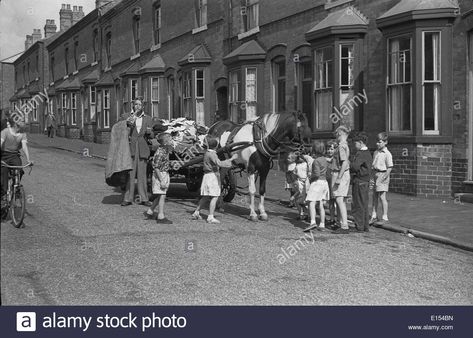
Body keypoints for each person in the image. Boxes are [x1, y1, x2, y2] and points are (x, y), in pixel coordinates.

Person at [191, 137, 237, 224]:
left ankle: (196, 212)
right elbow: (220, 163)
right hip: (212, 177)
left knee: (205, 196)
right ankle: (210, 217)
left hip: (207, 176)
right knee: (214, 196)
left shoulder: (207, 153)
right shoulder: (212, 154)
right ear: (216, 147)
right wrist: (232, 159)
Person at [122, 99, 154, 207]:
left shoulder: (148, 118)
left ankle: (144, 198)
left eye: (140, 104)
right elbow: (125, 128)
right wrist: (132, 117)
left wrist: (150, 133)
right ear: (133, 105)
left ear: (143, 106)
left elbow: (152, 135)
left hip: (142, 147)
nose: (138, 106)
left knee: (142, 174)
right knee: (130, 173)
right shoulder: (127, 116)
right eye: (136, 104)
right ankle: (128, 198)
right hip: (131, 147)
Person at [1, 117, 32, 208]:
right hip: (4, 155)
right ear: (15, 123)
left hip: (14, 155)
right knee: (3, 177)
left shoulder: (22, 133)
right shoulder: (5, 132)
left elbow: (24, 146)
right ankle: (3, 198)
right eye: (22, 121)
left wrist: (28, 159)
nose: (24, 122)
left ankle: (17, 190)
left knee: (20, 170)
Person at [144, 132, 173, 224]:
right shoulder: (160, 152)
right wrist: (161, 180)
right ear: (165, 143)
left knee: (160, 194)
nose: (172, 141)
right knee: (162, 195)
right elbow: (156, 167)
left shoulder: (165, 150)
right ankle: (160, 216)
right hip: (160, 175)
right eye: (170, 140)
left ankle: (150, 211)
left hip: (164, 173)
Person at [304, 140, 329, 232]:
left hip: (317, 182)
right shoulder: (325, 160)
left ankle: (313, 222)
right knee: (321, 204)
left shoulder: (316, 161)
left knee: (311, 202)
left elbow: (316, 174)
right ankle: (322, 224)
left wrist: (311, 177)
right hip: (324, 182)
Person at [350, 132, 372, 232]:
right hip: (365, 181)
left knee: (358, 204)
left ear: (360, 142)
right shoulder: (368, 153)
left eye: (355, 143)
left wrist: (349, 164)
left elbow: (354, 167)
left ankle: (359, 226)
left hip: (359, 180)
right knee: (364, 204)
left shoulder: (360, 154)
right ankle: (364, 226)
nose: (354, 146)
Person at [331, 125, 351, 234]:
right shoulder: (344, 145)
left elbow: (344, 162)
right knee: (340, 198)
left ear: (340, 134)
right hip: (343, 173)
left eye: (337, 135)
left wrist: (339, 177)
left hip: (341, 174)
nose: (336, 137)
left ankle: (344, 225)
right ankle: (341, 223)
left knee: (339, 199)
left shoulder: (341, 146)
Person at [370, 132, 393, 225]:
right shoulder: (376, 152)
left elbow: (390, 167)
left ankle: (385, 216)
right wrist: (372, 177)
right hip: (375, 174)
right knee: (374, 196)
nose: (377, 144)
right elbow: (373, 165)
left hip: (382, 175)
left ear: (385, 142)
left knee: (382, 197)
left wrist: (384, 177)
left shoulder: (387, 153)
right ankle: (374, 215)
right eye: (377, 142)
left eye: (379, 142)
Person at [325, 140, 337, 227]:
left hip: (335, 182)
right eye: (328, 149)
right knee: (330, 202)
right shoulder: (326, 159)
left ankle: (338, 219)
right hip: (328, 182)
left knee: (337, 200)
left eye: (332, 149)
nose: (329, 151)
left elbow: (331, 160)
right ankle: (332, 218)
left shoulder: (335, 159)